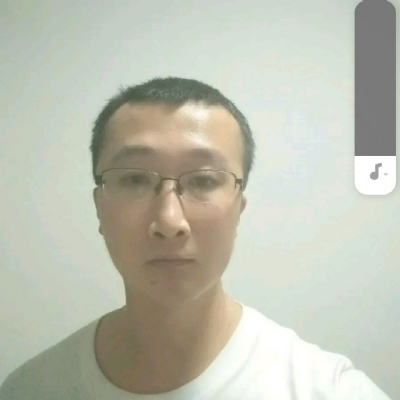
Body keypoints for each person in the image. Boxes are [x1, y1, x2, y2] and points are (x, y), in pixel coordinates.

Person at [1, 77, 392, 399]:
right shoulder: (31, 389)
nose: (169, 221)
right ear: (99, 207)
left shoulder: (329, 390)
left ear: (239, 208)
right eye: (134, 179)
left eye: (204, 180)